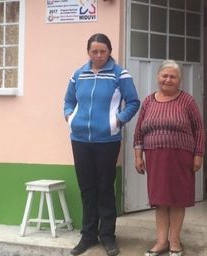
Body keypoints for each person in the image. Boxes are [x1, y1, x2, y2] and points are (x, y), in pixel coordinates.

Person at [63, 33, 140, 256]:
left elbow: (133, 102)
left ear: (109, 51)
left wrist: (118, 121)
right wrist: (70, 117)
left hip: (107, 140)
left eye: (102, 51)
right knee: (87, 189)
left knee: (105, 188)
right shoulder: (78, 74)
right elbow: (68, 101)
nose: (98, 55)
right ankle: (88, 236)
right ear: (88, 52)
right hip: (80, 140)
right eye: (94, 51)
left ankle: (107, 236)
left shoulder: (120, 74)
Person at [133, 60, 204, 256]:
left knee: (177, 200)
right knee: (160, 200)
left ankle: (175, 241)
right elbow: (139, 131)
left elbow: (199, 129)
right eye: (165, 75)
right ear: (158, 77)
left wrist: (198, 155)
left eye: (173, 76)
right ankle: (161, 241)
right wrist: (138, 155)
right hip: (155, 156)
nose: (168, 79)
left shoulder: (187, 101)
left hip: (180, 157)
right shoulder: (148, 101)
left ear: (179, 80)